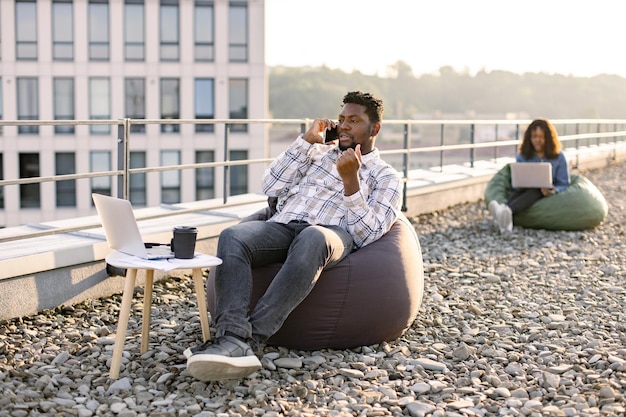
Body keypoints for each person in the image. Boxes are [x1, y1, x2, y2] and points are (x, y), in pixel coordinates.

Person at [185, 91, 403, 381]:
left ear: (374, 128)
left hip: (331, 235)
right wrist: (306, 141)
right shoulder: (316, 154)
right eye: (341, 120)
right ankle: (232, 335)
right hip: (284, 225)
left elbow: (368, 233)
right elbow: (269, 185)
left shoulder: (385, 176)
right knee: (232, 236)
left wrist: (351, 182)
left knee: (313, 237)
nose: (345, 126)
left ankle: (251, 340)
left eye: (354, 120)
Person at [489, 118, 570, 233]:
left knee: (537, 190)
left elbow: (564, 183)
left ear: (548, 138)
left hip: (545, 191)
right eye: (534, 137)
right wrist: (519, 184)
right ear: (529, 138)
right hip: (523, 190)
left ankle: (505, 210)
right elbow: (518, 179)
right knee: (523, 190)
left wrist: (554, 190)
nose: (537, 140)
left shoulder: (559, 156)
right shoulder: (523, 155)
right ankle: (505, 218)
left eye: (541, 137)